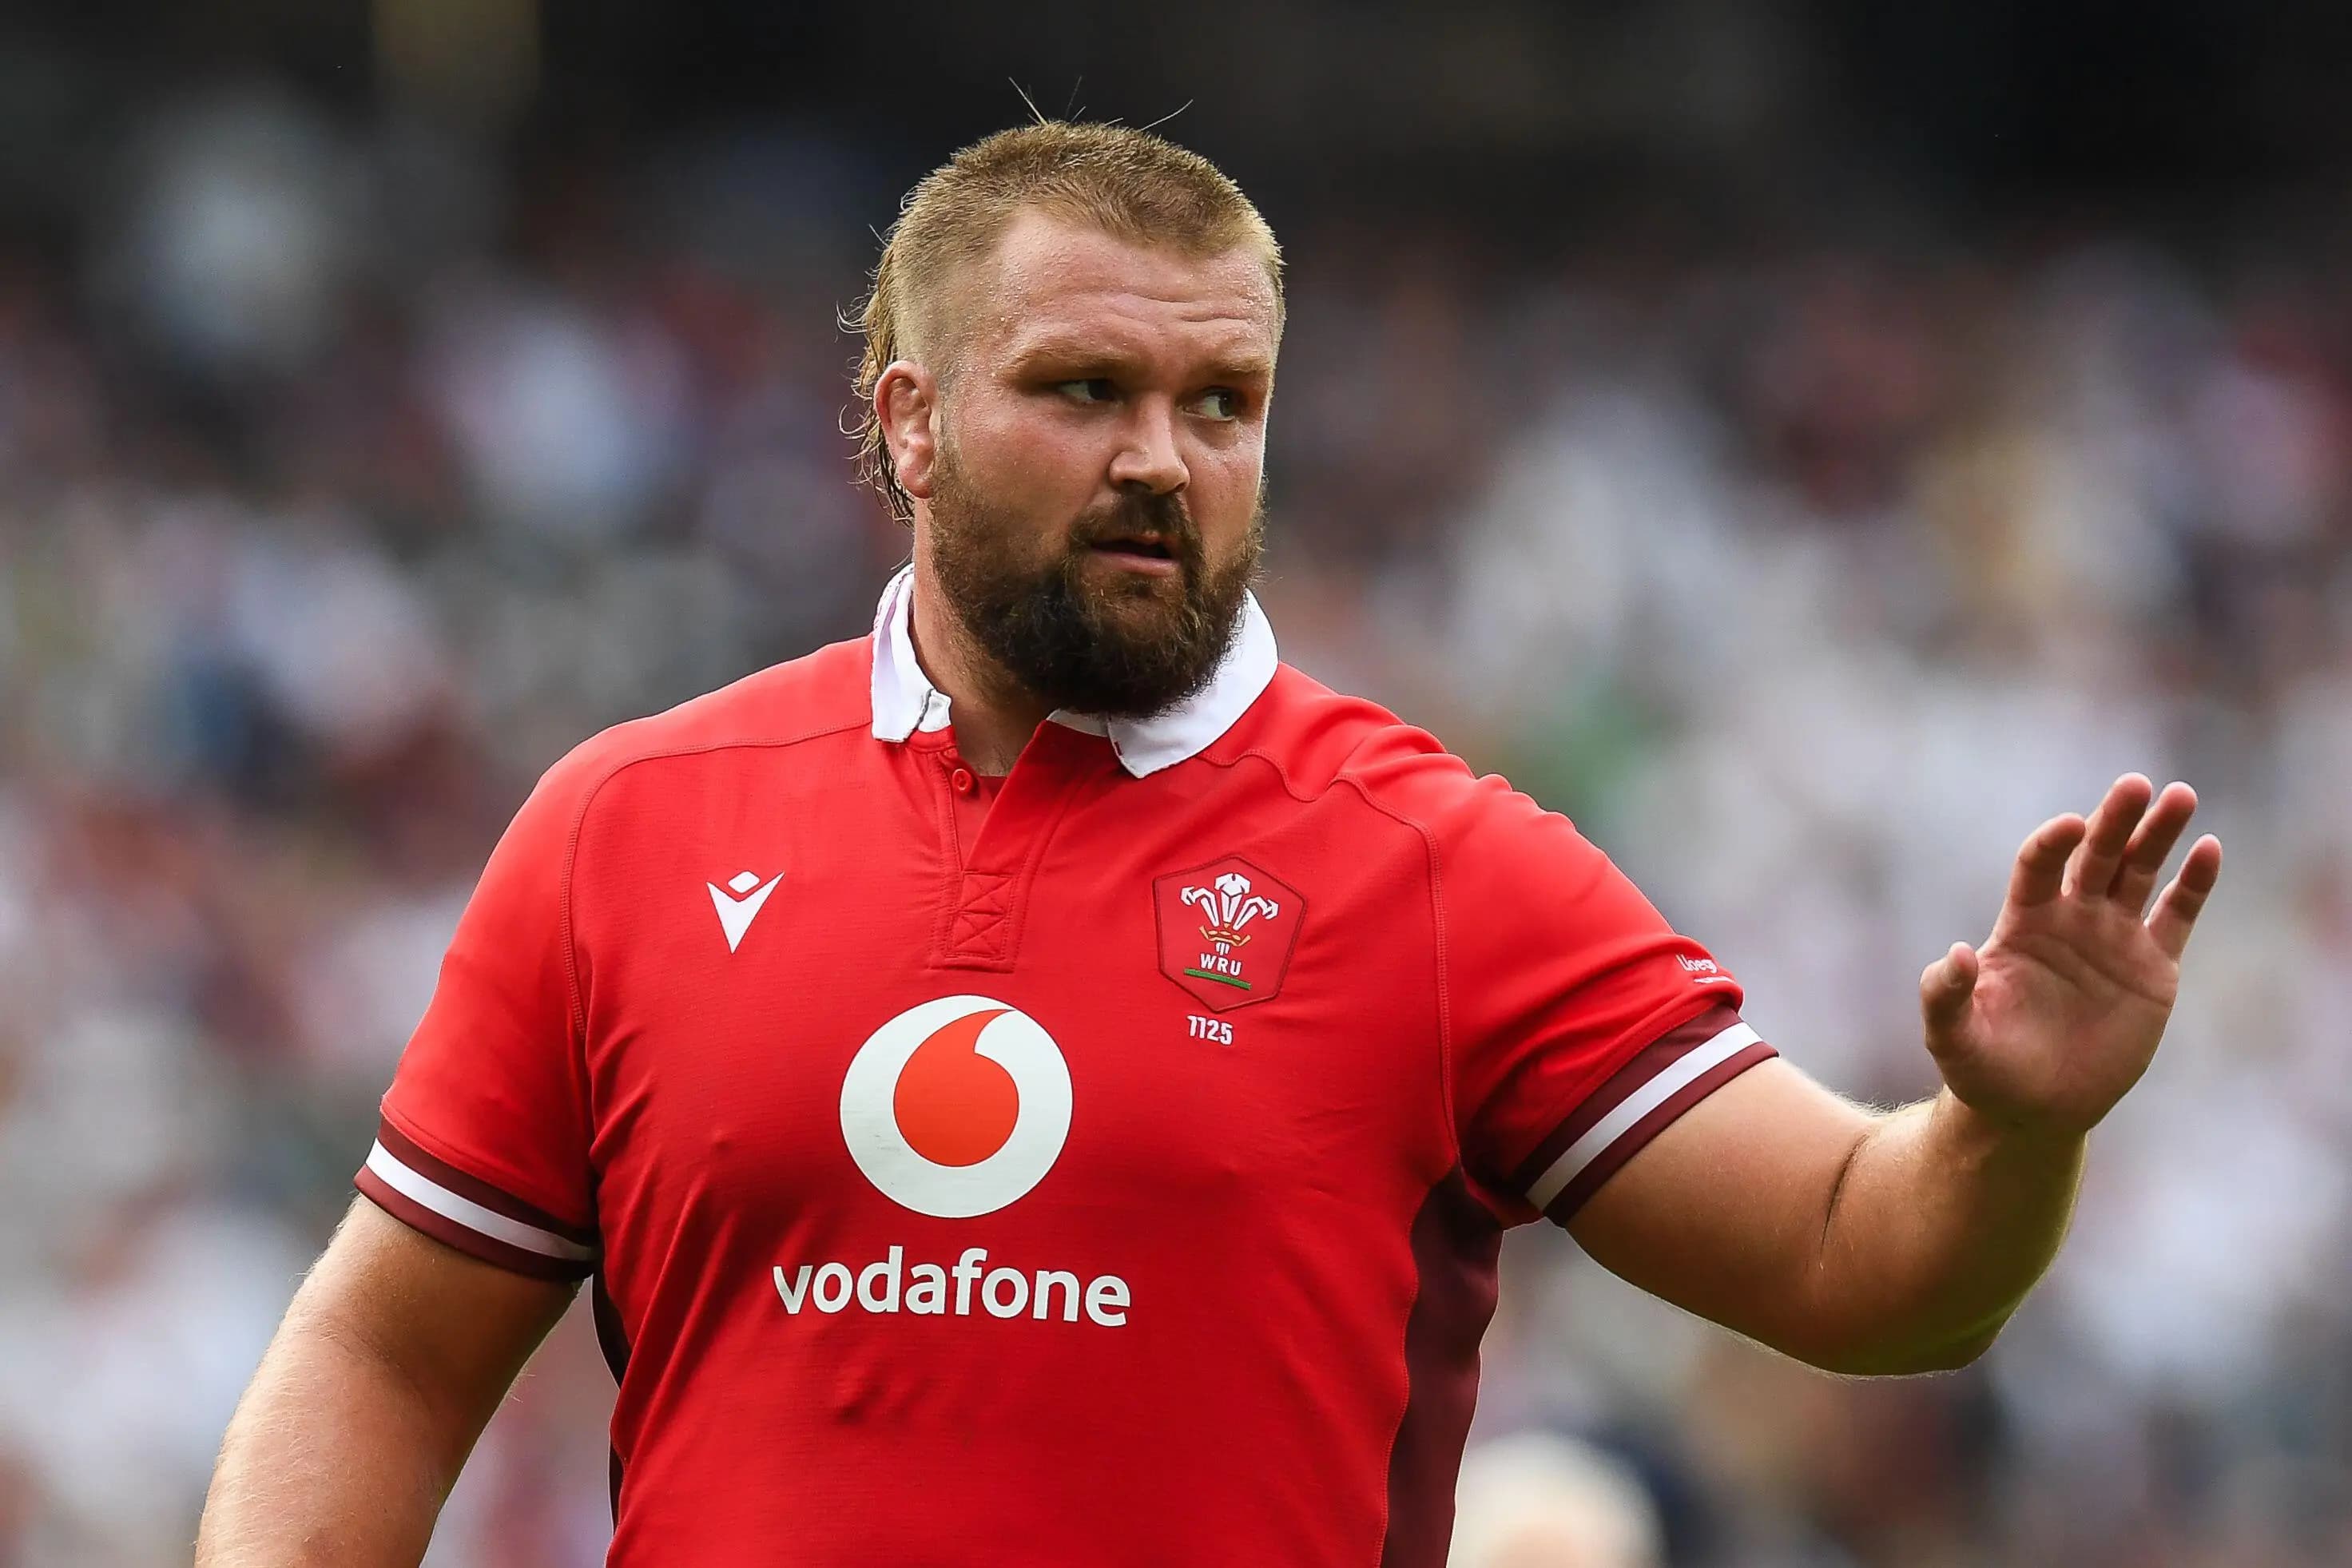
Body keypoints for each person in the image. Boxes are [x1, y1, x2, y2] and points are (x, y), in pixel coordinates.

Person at [197, 122, 2223, 1566]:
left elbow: (1858, 1260)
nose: (1158, 458)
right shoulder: (630, 823)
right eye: (1082, 389)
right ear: (904, 421)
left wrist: (2008, 1131)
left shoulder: (1433, 862)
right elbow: (385, 1349)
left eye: (1219, 400)